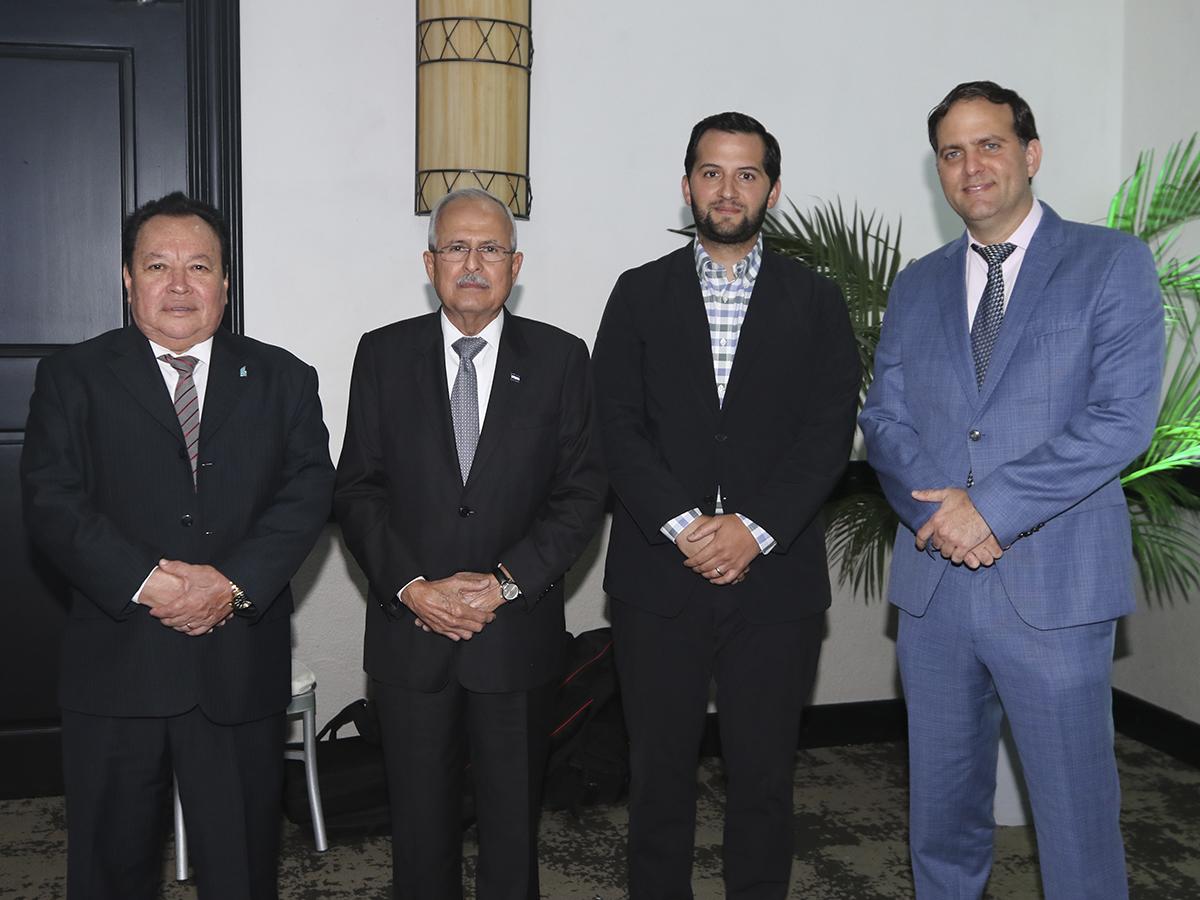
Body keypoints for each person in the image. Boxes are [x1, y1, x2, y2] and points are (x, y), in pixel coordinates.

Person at [859, 81, 1165, 899]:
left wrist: (989, 509)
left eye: (989, 144)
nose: (972, 166)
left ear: (1030, 154)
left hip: (1055, 589)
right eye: (951, 153)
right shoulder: (916, 284)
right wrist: (943, 515)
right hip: (935, 587)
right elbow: (884, 418)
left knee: (1075, 823)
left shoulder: (1110, 263)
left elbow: (1121, 419)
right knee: (941, 822)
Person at [20, 192, 336, 900]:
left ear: (225, 282)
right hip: (117, 665)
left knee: (243, 869)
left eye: (199, 266)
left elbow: (309, 492)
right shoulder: (73, 376)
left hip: (237, 665)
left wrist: (232, 583)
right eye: (157, 265)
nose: (179, 284)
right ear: (128, 279)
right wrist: (150, 582)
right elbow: (51, 500)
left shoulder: (284, 377)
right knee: (108, 869)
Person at [592, 112, 860, 899]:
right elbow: (614, 425)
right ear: (687, 186)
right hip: (657, 578)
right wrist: (688, 530)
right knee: (657, 779)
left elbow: (827, 434)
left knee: (765, 781)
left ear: (772, 190)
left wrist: (753, 531)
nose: (728, 189)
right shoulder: (638, 293)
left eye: (747, 174)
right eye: (712, 172)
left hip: (776, 583)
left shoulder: (816, 300)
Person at [334, 187, 606, 900]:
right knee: (419, 831)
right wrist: (412, 588)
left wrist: (506, 583)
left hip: (514, 635)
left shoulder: (561, 358)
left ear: (516, 265)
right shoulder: (382, 354)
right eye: (456, 247)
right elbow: (357, 489)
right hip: (411, 635)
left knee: (512, 832)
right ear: (430, 263)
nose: (473, 263)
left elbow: (582, 492)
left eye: (490, 248)